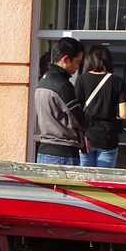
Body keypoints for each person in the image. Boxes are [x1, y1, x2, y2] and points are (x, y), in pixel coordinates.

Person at [35, 37, 89, 165]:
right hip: (63, 154)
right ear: (65, 59)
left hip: (44, 150)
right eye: (77, 62)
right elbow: (78, 120)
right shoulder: (63, 85)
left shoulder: (42, 81)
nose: (77, 67)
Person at [74, 45, 126, 168]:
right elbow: (124, 114)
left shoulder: (81, 80)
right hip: (107, 138)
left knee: (85, 180)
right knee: (103, 181)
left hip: (86, 138)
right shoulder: (118, 81)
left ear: (89, 60)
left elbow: (75, 109)